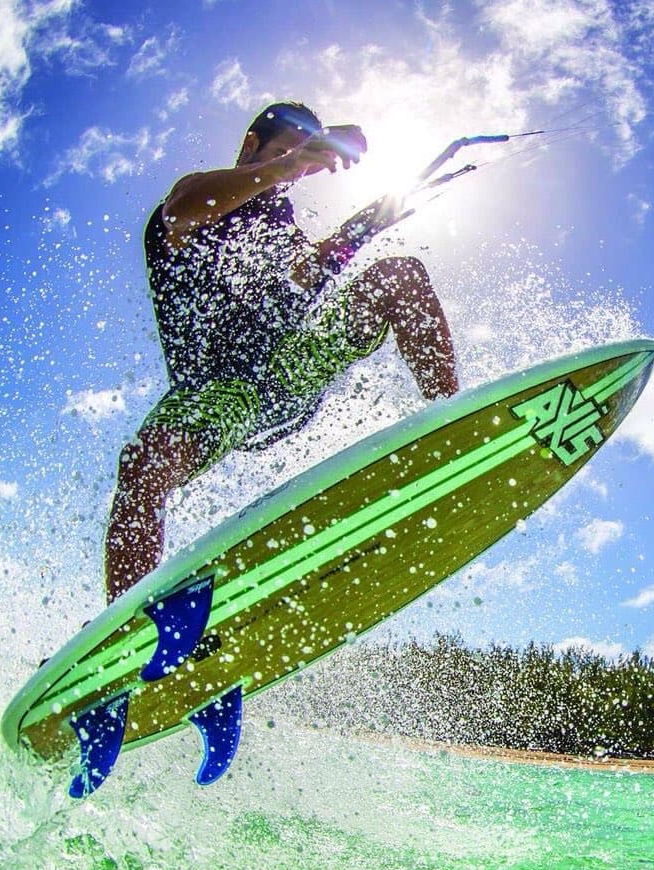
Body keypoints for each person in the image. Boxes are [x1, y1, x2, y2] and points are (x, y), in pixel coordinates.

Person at [105, 101, 459, 603]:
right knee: (144, 464)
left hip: (287, 366)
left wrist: (377, 217)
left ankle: (452, 422)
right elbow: (182, 210)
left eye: (305, 161)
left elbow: (308, 275)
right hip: (217, 392)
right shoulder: (198, 196)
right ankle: (126, 622)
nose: (296, 172)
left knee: (399, 277)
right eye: (287, 155)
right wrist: (291, 163)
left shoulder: (280, 224)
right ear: (252, 146)